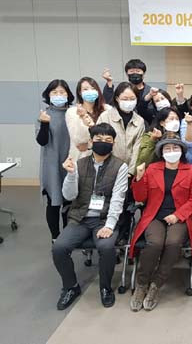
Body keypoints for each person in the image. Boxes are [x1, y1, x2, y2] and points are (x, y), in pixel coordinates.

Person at [52, 123, 128, 310]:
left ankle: (105, 288)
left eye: (108, 140)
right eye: (99, 139)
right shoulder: (79, 164)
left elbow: (118, 199)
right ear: (91, 141)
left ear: (113, 143)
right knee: (59, 247)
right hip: (80, 218)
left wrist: (109, 225)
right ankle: (70, 287)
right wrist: (71, 175)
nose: (103, 143)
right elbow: (69, 196)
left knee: (107, 247)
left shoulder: (120, 166)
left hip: (104, 219)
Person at [129, 133, 192, 311]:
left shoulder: (190, 170)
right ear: (161, 152)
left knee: (173, 243)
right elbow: (140, 197)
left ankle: (156, 284)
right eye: (167, 148)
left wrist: (177, 215)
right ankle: (141, 284)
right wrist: (139, 179)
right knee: (154, 243)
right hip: (154, 216)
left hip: (180, 217)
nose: (171, 151)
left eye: (175, 148)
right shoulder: (152, 168)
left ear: (181, 151)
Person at [36, 79, 73, 241]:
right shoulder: (44, 114)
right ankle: (55, 237)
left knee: (70, 203)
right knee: (53, 202)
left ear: (68, 95)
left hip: (71, 163)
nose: (59, 95)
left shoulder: (74, 113)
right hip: (52, 165)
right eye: (55, 92)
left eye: (62, 92)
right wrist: (44, 124)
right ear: (48, 95)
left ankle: (67, 236)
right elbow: (42, 141)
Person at [97, 82, 145, 177]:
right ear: (117, 98)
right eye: (125, 99)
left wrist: (131, 172)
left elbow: (137, 148)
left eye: (132, 99)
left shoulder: (139, 121)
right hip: (106, 170)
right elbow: (99, 142)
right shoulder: (105, 116)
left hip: (128, 172)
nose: (129, 102)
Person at [66, 77, 111, 160]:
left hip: (104, 156)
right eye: (85, 89)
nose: (90, 91)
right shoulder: (72, 112)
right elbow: (78, 141)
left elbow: (109, 135)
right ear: (80, 92)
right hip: (81, 158)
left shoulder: (107, 109)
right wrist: (82, 118)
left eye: (93, 88)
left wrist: (89, 145)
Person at [101, 59, 154, 123]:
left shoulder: (151, 92)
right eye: (131, 71)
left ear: (143, 73)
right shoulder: (122, 89)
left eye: (138, 71)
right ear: (127, 74)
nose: (135, 74)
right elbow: (110, 103)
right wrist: (109, 82)